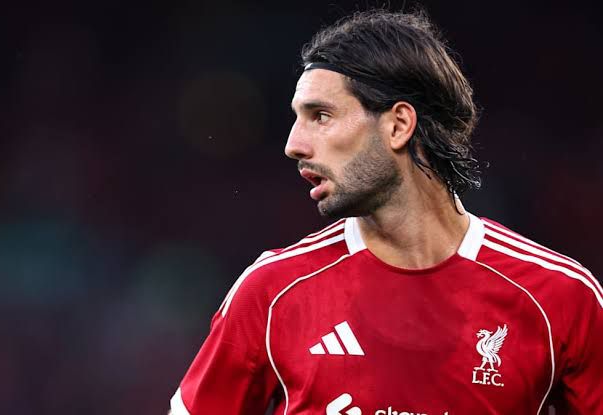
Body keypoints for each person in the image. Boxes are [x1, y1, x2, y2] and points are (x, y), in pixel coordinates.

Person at [169, 9, 602, 415]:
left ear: (398, 125)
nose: (293, 145)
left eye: (320, 116)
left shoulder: (561, 298)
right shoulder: (271, 293)